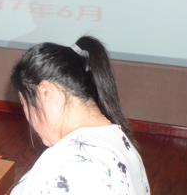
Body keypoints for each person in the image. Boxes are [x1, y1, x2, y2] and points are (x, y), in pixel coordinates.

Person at [10, 36, 150, 195]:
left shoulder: (68, 165)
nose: (28, 118)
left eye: (25, 104)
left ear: (46, 92)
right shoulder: (120, 140)